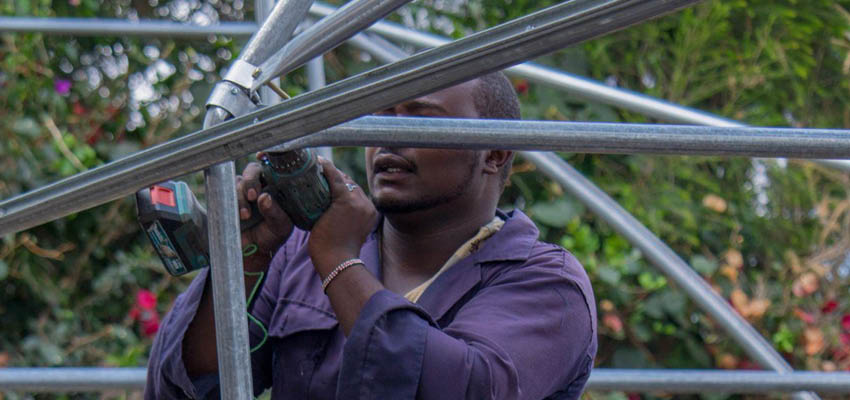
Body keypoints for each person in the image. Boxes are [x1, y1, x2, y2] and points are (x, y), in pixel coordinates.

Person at [145, 72, 597, 399]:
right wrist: (248, 257)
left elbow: (461, 391)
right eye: (378, 119)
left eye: (418, 119)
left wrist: (340, 260)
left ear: (494, 153)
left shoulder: (547, 285)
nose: (387, 137)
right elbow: (183, 385)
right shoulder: (303, 249)